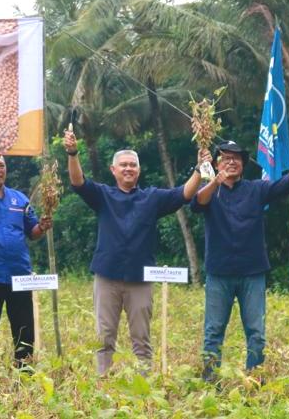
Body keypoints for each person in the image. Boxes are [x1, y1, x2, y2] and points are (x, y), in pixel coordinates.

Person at [63, 129, 205, 376]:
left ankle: (144, 386)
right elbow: (78, 182)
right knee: (104, 336)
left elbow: (184, 193)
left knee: (141, 337)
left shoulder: (152, 198)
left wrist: (199, 169)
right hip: (107, 277)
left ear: (138, 170)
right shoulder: (103, 195)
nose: (128, 168)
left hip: (140, 280)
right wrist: (73, 153)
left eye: (132, 165)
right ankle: (102, 383)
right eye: (123, 165)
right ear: (113, 170)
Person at [193, 140, 289, 381]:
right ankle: (209, 382)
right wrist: (214, 180)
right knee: (213, 332)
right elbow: (197, 203)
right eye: (225, 158)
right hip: (219, 273)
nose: (232, 161)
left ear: (244, 165)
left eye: (237, 158)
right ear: (216, 164)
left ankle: (255, 380)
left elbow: (288, 183)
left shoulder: (256, 189)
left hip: (253, 272)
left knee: (256, 332)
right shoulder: (210, 190)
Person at [0, 150, 52, 379]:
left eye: (1, 165)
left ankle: (25, 378)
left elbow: (31, 232)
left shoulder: (20, 199)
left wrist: (42, 227)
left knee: (25, 331)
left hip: (20, 276)